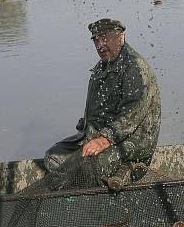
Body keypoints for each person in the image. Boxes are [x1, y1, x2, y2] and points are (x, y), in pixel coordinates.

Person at [43, 18, 161, 189]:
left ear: (121, 37)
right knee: (53, 158)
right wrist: (86, 125)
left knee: (88, 167)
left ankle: (126, 170)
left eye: (105, 38)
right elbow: (100, 106)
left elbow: (132, 115)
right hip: (100, 135)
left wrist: (104, 139)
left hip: (132, 145)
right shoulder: (102, 66)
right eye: (96, 40)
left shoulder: (135, 67)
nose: (100, 45)